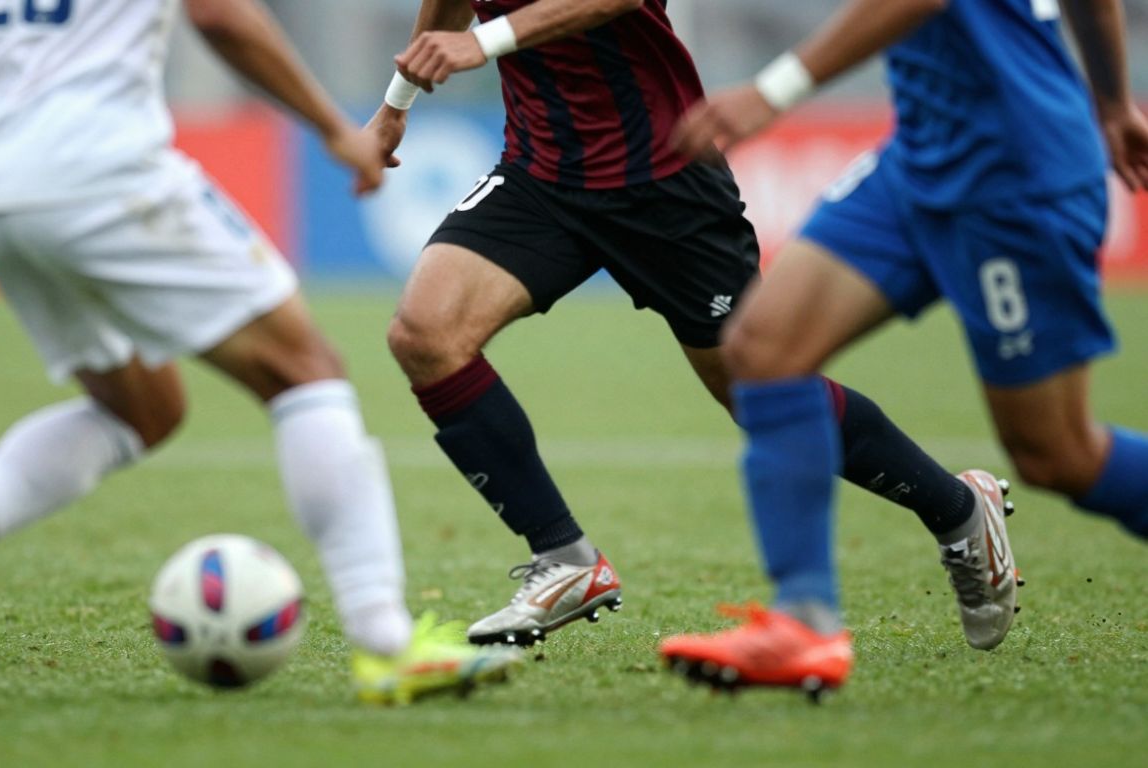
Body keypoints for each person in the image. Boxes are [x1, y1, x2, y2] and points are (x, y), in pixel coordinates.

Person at [0, 0, 521, 704]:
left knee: (142, 408)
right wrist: (334, 129)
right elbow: (220, 17)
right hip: (100, 167)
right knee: (306, 373)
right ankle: (385, 644)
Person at [365, 0, 1016, 650]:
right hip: (542, 175)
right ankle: (564, 558)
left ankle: (957, 510)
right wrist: (397, 104)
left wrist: (486, 42)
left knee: (756, 387)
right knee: (425, 333)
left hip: (663, 177)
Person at [658, 0, 1148, 699]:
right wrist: (1114, 103)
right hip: (920, 155)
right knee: (764, 349)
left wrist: (773, 89)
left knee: (1057, 454)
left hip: (1015, 172)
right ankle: (802, 621)